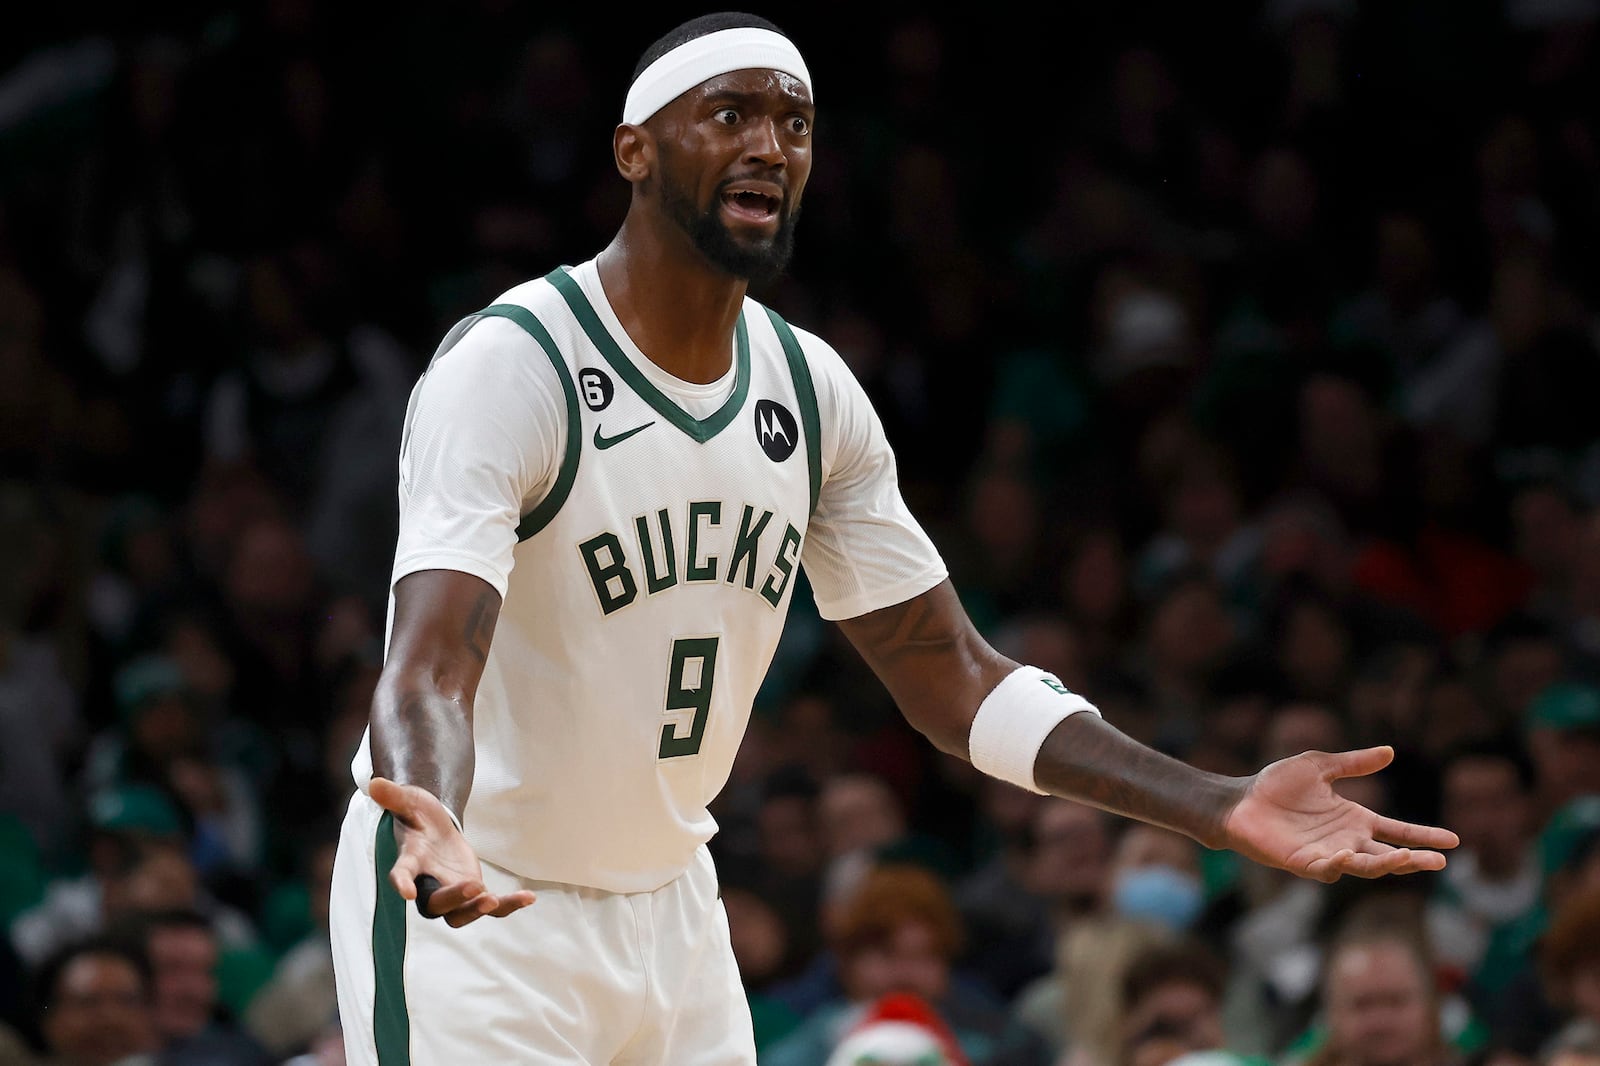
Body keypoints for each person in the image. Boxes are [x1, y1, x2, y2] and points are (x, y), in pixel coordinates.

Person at [326, 11, 1460, 1064]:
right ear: (633, 149)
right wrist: (430, 809)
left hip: (669, 904)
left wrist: (1214, 802)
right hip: (478, 894)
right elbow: (432, 662)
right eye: (730, 115)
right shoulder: (513, 364)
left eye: (795, 124)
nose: (770, 144)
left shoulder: (811, 394)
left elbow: (952, 681)